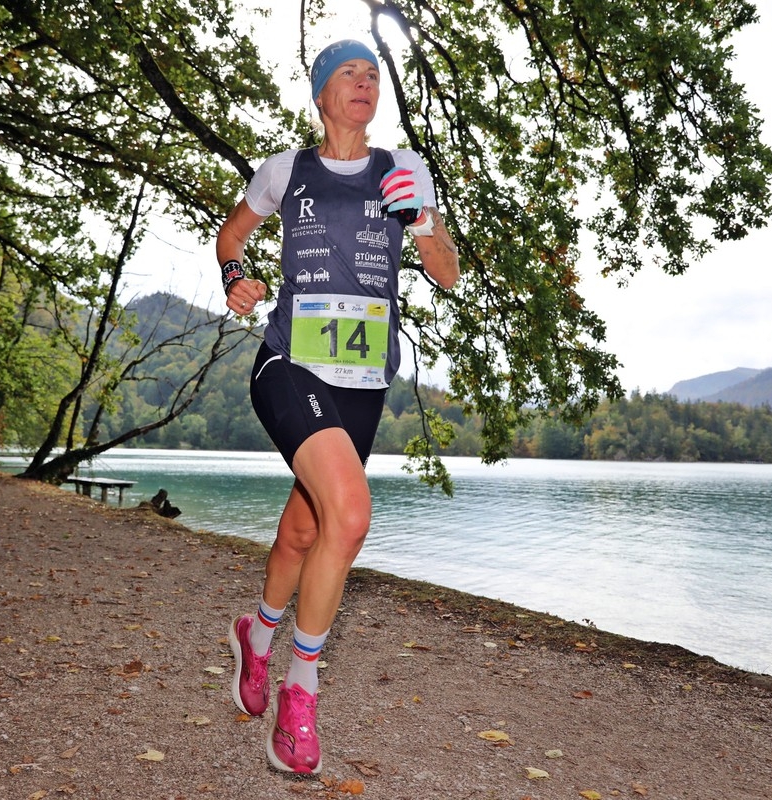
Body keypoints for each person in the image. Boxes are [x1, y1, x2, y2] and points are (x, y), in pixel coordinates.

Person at [215, 39, 459, 774]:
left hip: (362, 383)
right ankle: (300, 695)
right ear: (322, 94)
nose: (365, 82)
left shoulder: (402, 171)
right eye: (349, 73)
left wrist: (423, 222)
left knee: (305, 530)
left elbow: (446, 274)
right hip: (289, 364)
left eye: (373, 74)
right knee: (349, 517)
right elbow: (232, 235)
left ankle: (256, 637)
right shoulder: (285, 170)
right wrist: (236, 276)